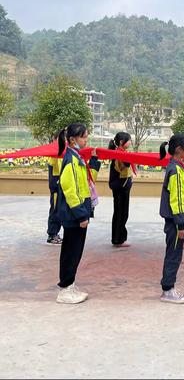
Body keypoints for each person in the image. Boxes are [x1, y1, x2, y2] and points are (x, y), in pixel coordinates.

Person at [55, 123, 100, 304]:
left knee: (75, 250)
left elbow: (87, 183)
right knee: (71, 251)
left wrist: (95, 162)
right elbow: (69, 189)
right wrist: (81, 215)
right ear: (73, 139)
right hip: (74, 215)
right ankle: (65, 289)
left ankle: (70, 283)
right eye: (83, 137)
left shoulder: (77, 158)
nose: (86, 140)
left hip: (79, 212)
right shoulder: (70, 160)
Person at [159, 133, 184, 304]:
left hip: (177, 220)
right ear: (179, 150)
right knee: (173, 255)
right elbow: (177, 200)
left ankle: (169, 288)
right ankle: (168, 290)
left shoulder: (178, 166)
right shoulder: (175, 170)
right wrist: (181, 225)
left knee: (175, 254)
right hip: (176, 221)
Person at [108, 132, 135, 247]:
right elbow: (120, 168)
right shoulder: (118, 154)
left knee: (123, 213)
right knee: (120, 213)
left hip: (124, 187)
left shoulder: (123, 153)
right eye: (128, 140)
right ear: (121, 142)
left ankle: (119, 238)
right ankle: (117, 239)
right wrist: (126, 161)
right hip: (120, 188)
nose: (130, 142)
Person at [46, 132, 63, 245]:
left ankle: (55, 233)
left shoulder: (61, 152)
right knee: (55, 210)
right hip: (56, 187)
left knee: (59, 211)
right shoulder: (54, 153)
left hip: (61, 186)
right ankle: (52, 234)